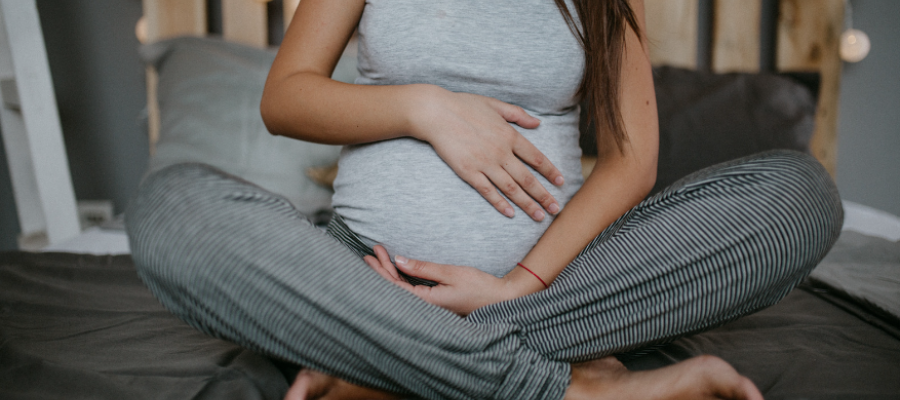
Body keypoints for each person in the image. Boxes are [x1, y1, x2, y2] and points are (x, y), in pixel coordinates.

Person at [125, 0, 843, 399]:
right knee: (173, 211)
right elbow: (285, 99)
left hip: (557, 285)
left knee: (799, 196)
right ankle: (575, 392)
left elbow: (632, 159)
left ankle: (383, 367)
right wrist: (427, 109)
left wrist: (514, 288)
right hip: (366, 273)